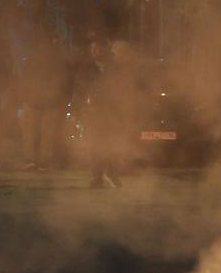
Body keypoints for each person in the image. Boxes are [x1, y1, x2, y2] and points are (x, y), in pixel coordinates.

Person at [77, 36, 138, 189]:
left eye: (97, 49)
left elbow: (124, 89)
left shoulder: (116, 68)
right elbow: (79, 90)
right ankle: (97, 177)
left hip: (112, 114)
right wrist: (80, 110)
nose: (94, 52)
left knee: (112, 144)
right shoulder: (87, 69)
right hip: (93, 115)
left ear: (104, 50)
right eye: (92, 49)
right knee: (95, 146)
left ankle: (111, 173)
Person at [18, 35, 72, 171]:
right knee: (43, 134)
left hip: (42, 101)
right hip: (43, 101)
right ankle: (40, 161)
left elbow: (65, 81)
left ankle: (35, 161)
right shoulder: (57, 61)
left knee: (35, 133)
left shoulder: (35, 60)